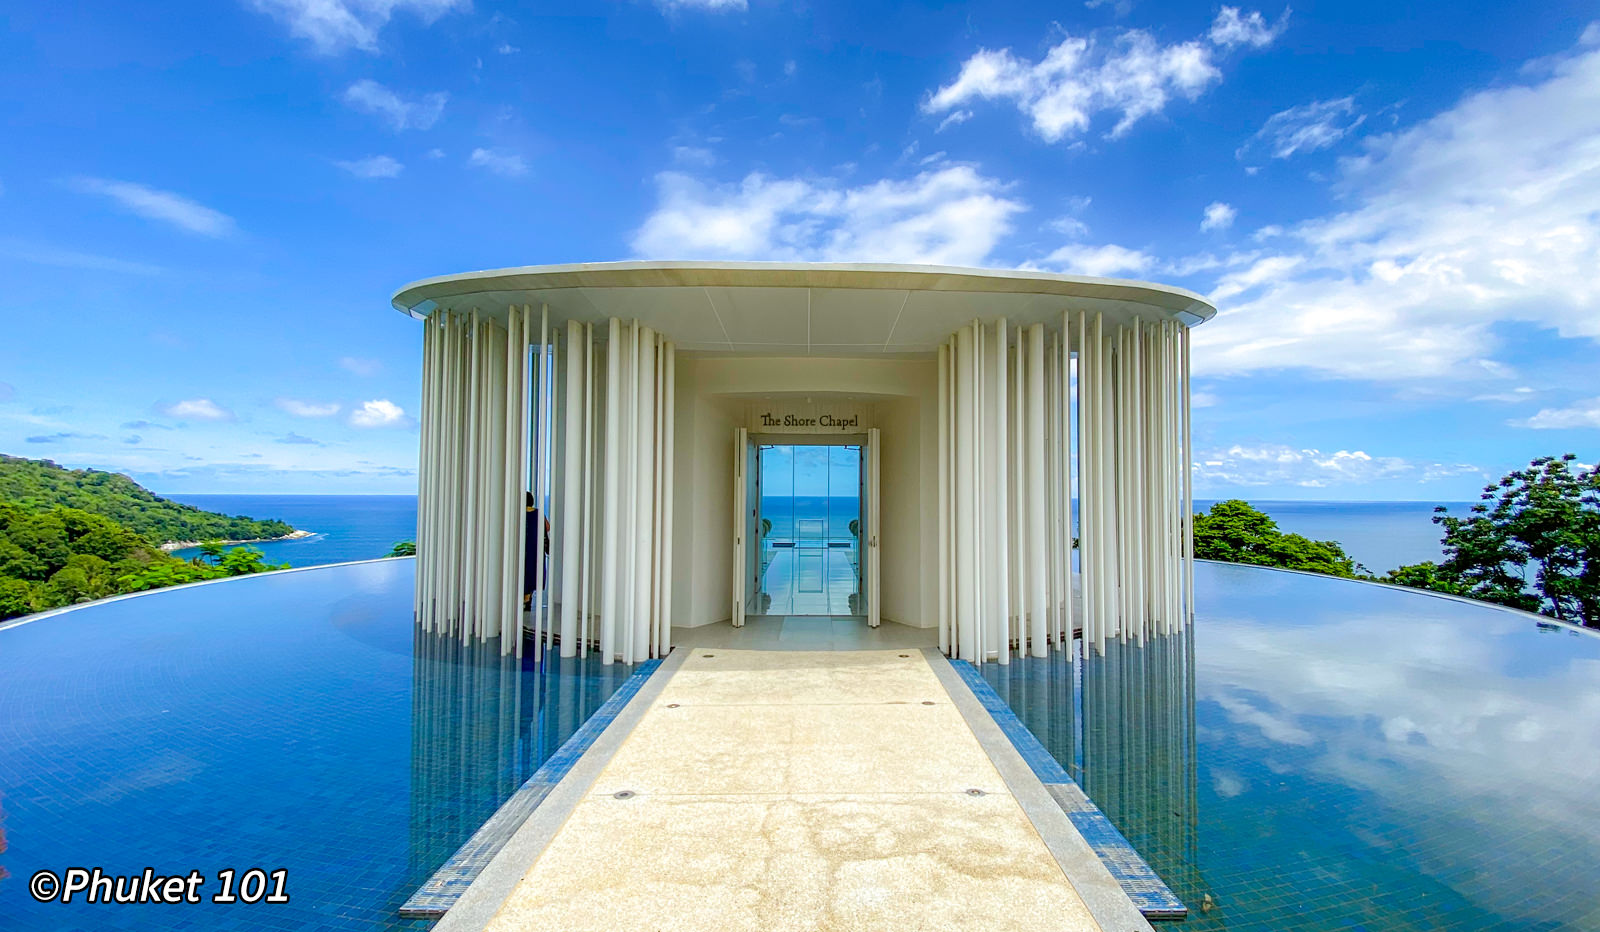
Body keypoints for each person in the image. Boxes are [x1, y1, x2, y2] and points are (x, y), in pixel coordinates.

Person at [523, 492, 551, 610]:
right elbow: (547, 527)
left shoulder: (519, 513)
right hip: (536, 548)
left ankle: (525, 598)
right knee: (533, 571)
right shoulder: (539, 514)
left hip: (524, 548)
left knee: (523, 571)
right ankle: (528, 598)